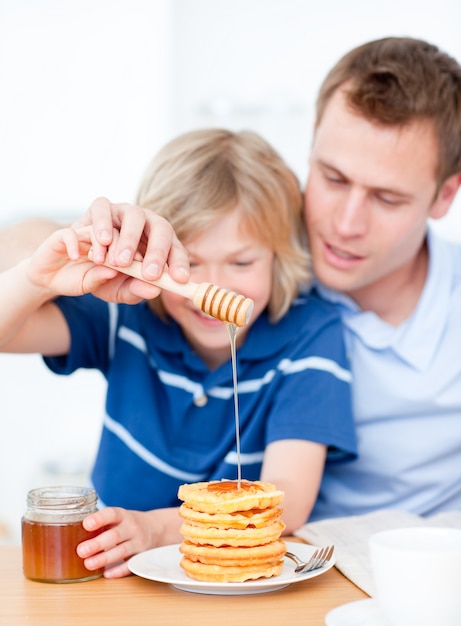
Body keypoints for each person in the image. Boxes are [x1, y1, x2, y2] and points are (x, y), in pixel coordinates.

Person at [0, 128, 356, 576]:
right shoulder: (128, 311)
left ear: (279, 258)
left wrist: (155, 530)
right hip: (113, 574)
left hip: (240, 580)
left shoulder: (310, 333)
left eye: (241, 263)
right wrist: (37, 277)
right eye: (189, 263)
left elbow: (289, 496)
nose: (213, 288)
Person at [304, 36, 461, 520]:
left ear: (444, 196)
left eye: (387, 199)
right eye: (332, 178)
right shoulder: (246, 265)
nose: (346, 224)